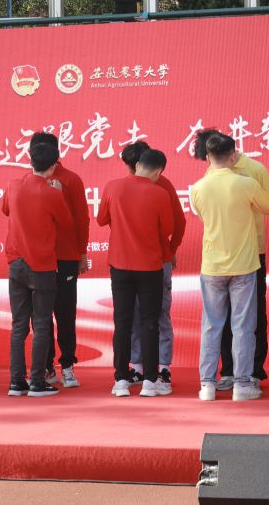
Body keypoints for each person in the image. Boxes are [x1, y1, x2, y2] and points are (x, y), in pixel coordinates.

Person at [193, 128, 269, 390]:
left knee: (215, 324)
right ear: (231, 155)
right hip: (243, 262)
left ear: (209, 156)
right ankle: (238, 380)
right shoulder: (245, 184)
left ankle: (210, 384)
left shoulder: (199, 187)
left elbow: (204, 215)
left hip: (222, 262)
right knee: (241, 324)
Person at [98, 149, 174, 398]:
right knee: (150, 323)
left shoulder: (113, 187)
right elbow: (167, 229)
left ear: (138, 164)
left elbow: (101, 219)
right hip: (150, 266)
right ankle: (150, 382)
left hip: (120, 265)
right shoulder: (160, 193)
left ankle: (121, 380)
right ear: (158, 171)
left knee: (122, 322)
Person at [2, 142, 74, 398]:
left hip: (16, 262)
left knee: (19, 325)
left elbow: (5, 209)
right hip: (41, 264)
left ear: (30, 160)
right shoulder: (52, 193)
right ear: (53, 166)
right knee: (42, 323)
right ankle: (37, 381)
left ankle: (16, 381)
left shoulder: (13, 185)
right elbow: (67, 224)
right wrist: (58, 193)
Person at [119, 142, 186, 393]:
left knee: (159, 313)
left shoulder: (163, 185)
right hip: (130, 261)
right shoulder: (123, 186)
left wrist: (171, 250)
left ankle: (163, 367)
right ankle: (137, 366)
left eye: (133, 168)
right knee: (135, 314)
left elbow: (178, 222)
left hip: (158, 261)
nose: (131, 173)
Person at [30, 132, 90, 390]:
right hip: (37, 259)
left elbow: (81, 219)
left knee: (65, 313)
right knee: (39, 315)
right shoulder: (27, 181)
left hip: (65, 257)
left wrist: (81, 253)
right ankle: (46, 367)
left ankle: (67, 365)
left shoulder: (71, 180)